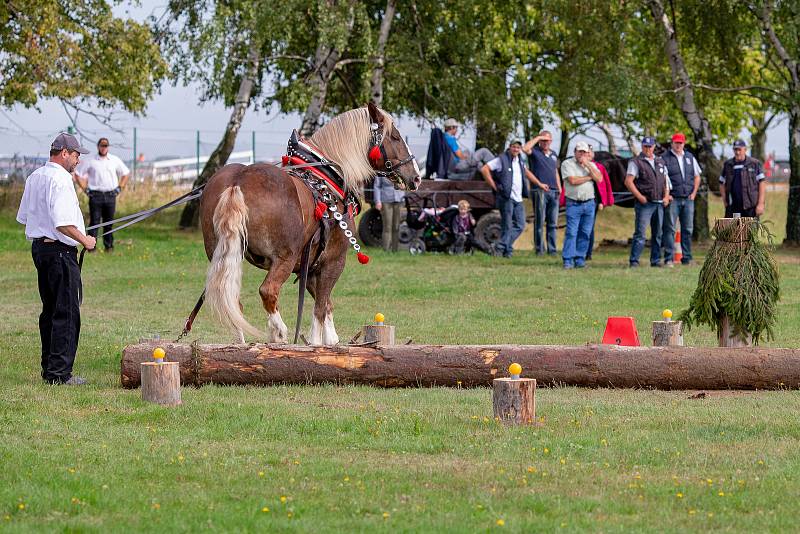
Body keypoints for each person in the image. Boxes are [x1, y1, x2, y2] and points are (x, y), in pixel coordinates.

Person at [16, 133, 97, 385]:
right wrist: (85, 240)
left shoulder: (35, 177)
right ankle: (60, 374)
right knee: (67, 313)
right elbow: (63, 224)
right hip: (61, 253)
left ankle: (49, 369)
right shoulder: (61, 180)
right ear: (64, 153)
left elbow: (24, 217)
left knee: (50, 311)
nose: (78, 161)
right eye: (76, 155)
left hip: (41, 251)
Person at [481, 139, 550, 258]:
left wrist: (539, 183)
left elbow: (527, 173)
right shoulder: (501, 159)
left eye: (518, 148)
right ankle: (505, 250)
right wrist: (494, 186)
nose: (516, 149)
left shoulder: (520, 161)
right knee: (507, 225)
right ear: (510, 147)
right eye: (514, 147)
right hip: (507, 197)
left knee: (520, 224)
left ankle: (500, 246)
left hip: (518, 199)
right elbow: (484, 169)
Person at [73, 137, 130, 252]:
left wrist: (120, 187)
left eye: (106, 146)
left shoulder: (114, 160)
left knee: (109, 222)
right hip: (95, 195)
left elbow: (126, 173)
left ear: (108, 147)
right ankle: (91, 248)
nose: (104, 148)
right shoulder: (91, 160)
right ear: (98, 146)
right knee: (95, 221)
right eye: (102, 146)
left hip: (111, 195)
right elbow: (78, 174)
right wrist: (85, 189)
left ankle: (109, 247)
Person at [625, 136, 670, 267]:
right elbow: (628, 181)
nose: (648, 149)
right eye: (645, 146)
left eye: (650, 146)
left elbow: (666, 181)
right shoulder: (636, 162)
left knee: (658, 234)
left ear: (654, 147)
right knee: (640, 234)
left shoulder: (660, 161)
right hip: (645, 204)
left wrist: (667, 196)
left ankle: (655, 261)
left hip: (659, 203)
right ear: (642, 146)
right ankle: (634, 261)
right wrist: (639, 197)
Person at [660, 132, 702, 266]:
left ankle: (687, 258)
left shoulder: (690, 157)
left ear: (684, 144)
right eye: (676, 142)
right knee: (670, 229)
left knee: (688, 229)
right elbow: (661, 179)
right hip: (673, 199)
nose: (678, 145)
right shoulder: (664, 158)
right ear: (672, 143)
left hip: (688, 199)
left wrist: (694, 193)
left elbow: (697, 176)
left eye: (681, 143)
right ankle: (668, 258)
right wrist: (666, 194)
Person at [560, 141, 603, 269]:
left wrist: (588, 166)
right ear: (575, 152)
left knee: (585, 233)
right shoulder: (567, 164)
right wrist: (590, 177)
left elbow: (599, 178)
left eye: (584, 152)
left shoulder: (590, 165)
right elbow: (573, 180)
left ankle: (580, 260)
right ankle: (568, 260)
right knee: (572, 232)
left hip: (589, 203)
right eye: (580, 152)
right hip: (573, 203)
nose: (582, 154)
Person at [524, 130, 561, 256]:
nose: (545, 143)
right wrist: (538, 137)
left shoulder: (554, 154)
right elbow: (525, 148)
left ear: (551, 141)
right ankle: (539, 249)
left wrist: (559, 187)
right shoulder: (534, 152)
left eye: (547, 140)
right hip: (539, 190)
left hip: (553, 191)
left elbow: (555, 171)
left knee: (552, 222)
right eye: (543, 140)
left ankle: (552, 250)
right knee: (540, 221)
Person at [720, 139, 767, 218]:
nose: (737, 152)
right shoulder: (728, 165)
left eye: (739, 149)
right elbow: (721, 183)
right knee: (736, 229)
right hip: (734, 208)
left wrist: (761, 204)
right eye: (735, 149)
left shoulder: (754, 164)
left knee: (751, 230)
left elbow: (762, 183)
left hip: (751, 208)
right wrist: (725, 201)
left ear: (745, 149)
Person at [586, 146, 615, 260]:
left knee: (589, 227)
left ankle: (588, 253)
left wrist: (602, 201)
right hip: (577, 200)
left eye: (589, 152)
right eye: (585, 152)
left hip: (593, 201)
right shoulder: (574, 165)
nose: (588, 154)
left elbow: (601, 185)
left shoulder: (598, 167)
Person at [373, 174, 405, 252]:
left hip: (399, 200)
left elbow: (406, 183)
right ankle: (386, 249)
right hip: (386, 200)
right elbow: (377, 186)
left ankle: (395, 249)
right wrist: (378, 201)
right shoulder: (382, 171)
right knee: (387, 226)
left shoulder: (400, 170)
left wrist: (404, 186)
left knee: (396, 226)